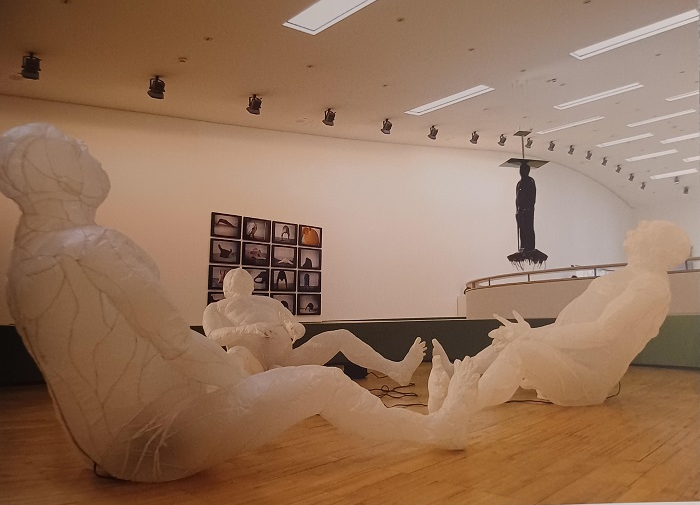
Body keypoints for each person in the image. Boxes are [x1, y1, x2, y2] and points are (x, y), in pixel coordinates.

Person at [0, 123, 474, 483]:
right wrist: (246, 388)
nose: (88, 152)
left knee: (307, 360)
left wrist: (282, 338)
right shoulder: (91, 246)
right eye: (76, 149)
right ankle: (436, 431)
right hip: (159, 438)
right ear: (54, 174)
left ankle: (394, 374)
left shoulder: (26, 264)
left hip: (107, 449)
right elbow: (179, 343)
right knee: (326, 382)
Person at [428, 220, 691, 409]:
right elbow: (576, 326)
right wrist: (529, 333)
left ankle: (461, 406)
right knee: (510, 337)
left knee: (520, 349)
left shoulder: (649, 287)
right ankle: (462, 373)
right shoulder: (634, 277)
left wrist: (533, 337)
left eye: (647, 230)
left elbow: (602, 332)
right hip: (572, 359)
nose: (638, 228)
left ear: (658, 247)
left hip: (586, 378)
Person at [203, 268, 426, 386]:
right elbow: (213, 336)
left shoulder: (270, 302)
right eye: (233, 279)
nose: (239, 279)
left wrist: (294, 327)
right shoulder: (216, 308)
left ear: (251, 285)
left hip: (287, 360)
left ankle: (396, 370)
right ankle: (251, 399)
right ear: (225, 289)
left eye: (243, 279)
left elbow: (295, 324)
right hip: (253, 366)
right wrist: (248, 329)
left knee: (341, 335)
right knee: (235, 354)